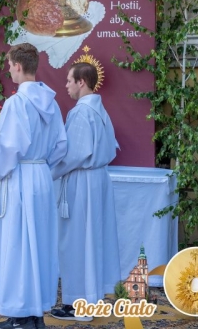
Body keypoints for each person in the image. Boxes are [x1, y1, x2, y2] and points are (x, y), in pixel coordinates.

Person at [0, 44, 67, 329]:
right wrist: (44, 166)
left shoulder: (16, 103)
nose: (8, 69)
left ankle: (21, 314)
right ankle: (36, 312)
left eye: (10, 65)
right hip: (41, 176)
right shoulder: (52, 103)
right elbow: (62, 146)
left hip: (20, 176)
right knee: (40, 244)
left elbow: (10, 149)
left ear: (19, 66)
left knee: (18, 244)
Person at [50, 62, 121, 322]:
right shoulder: (100, 110)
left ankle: (77, 304)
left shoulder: (81, 112)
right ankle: (91, 298)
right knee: (92, 240)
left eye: (69, 80)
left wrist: (47, 171)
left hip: (82, 182)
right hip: (98, 179)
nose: (66, 85)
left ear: (81, 82)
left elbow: (73, 155)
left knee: (76, 242)